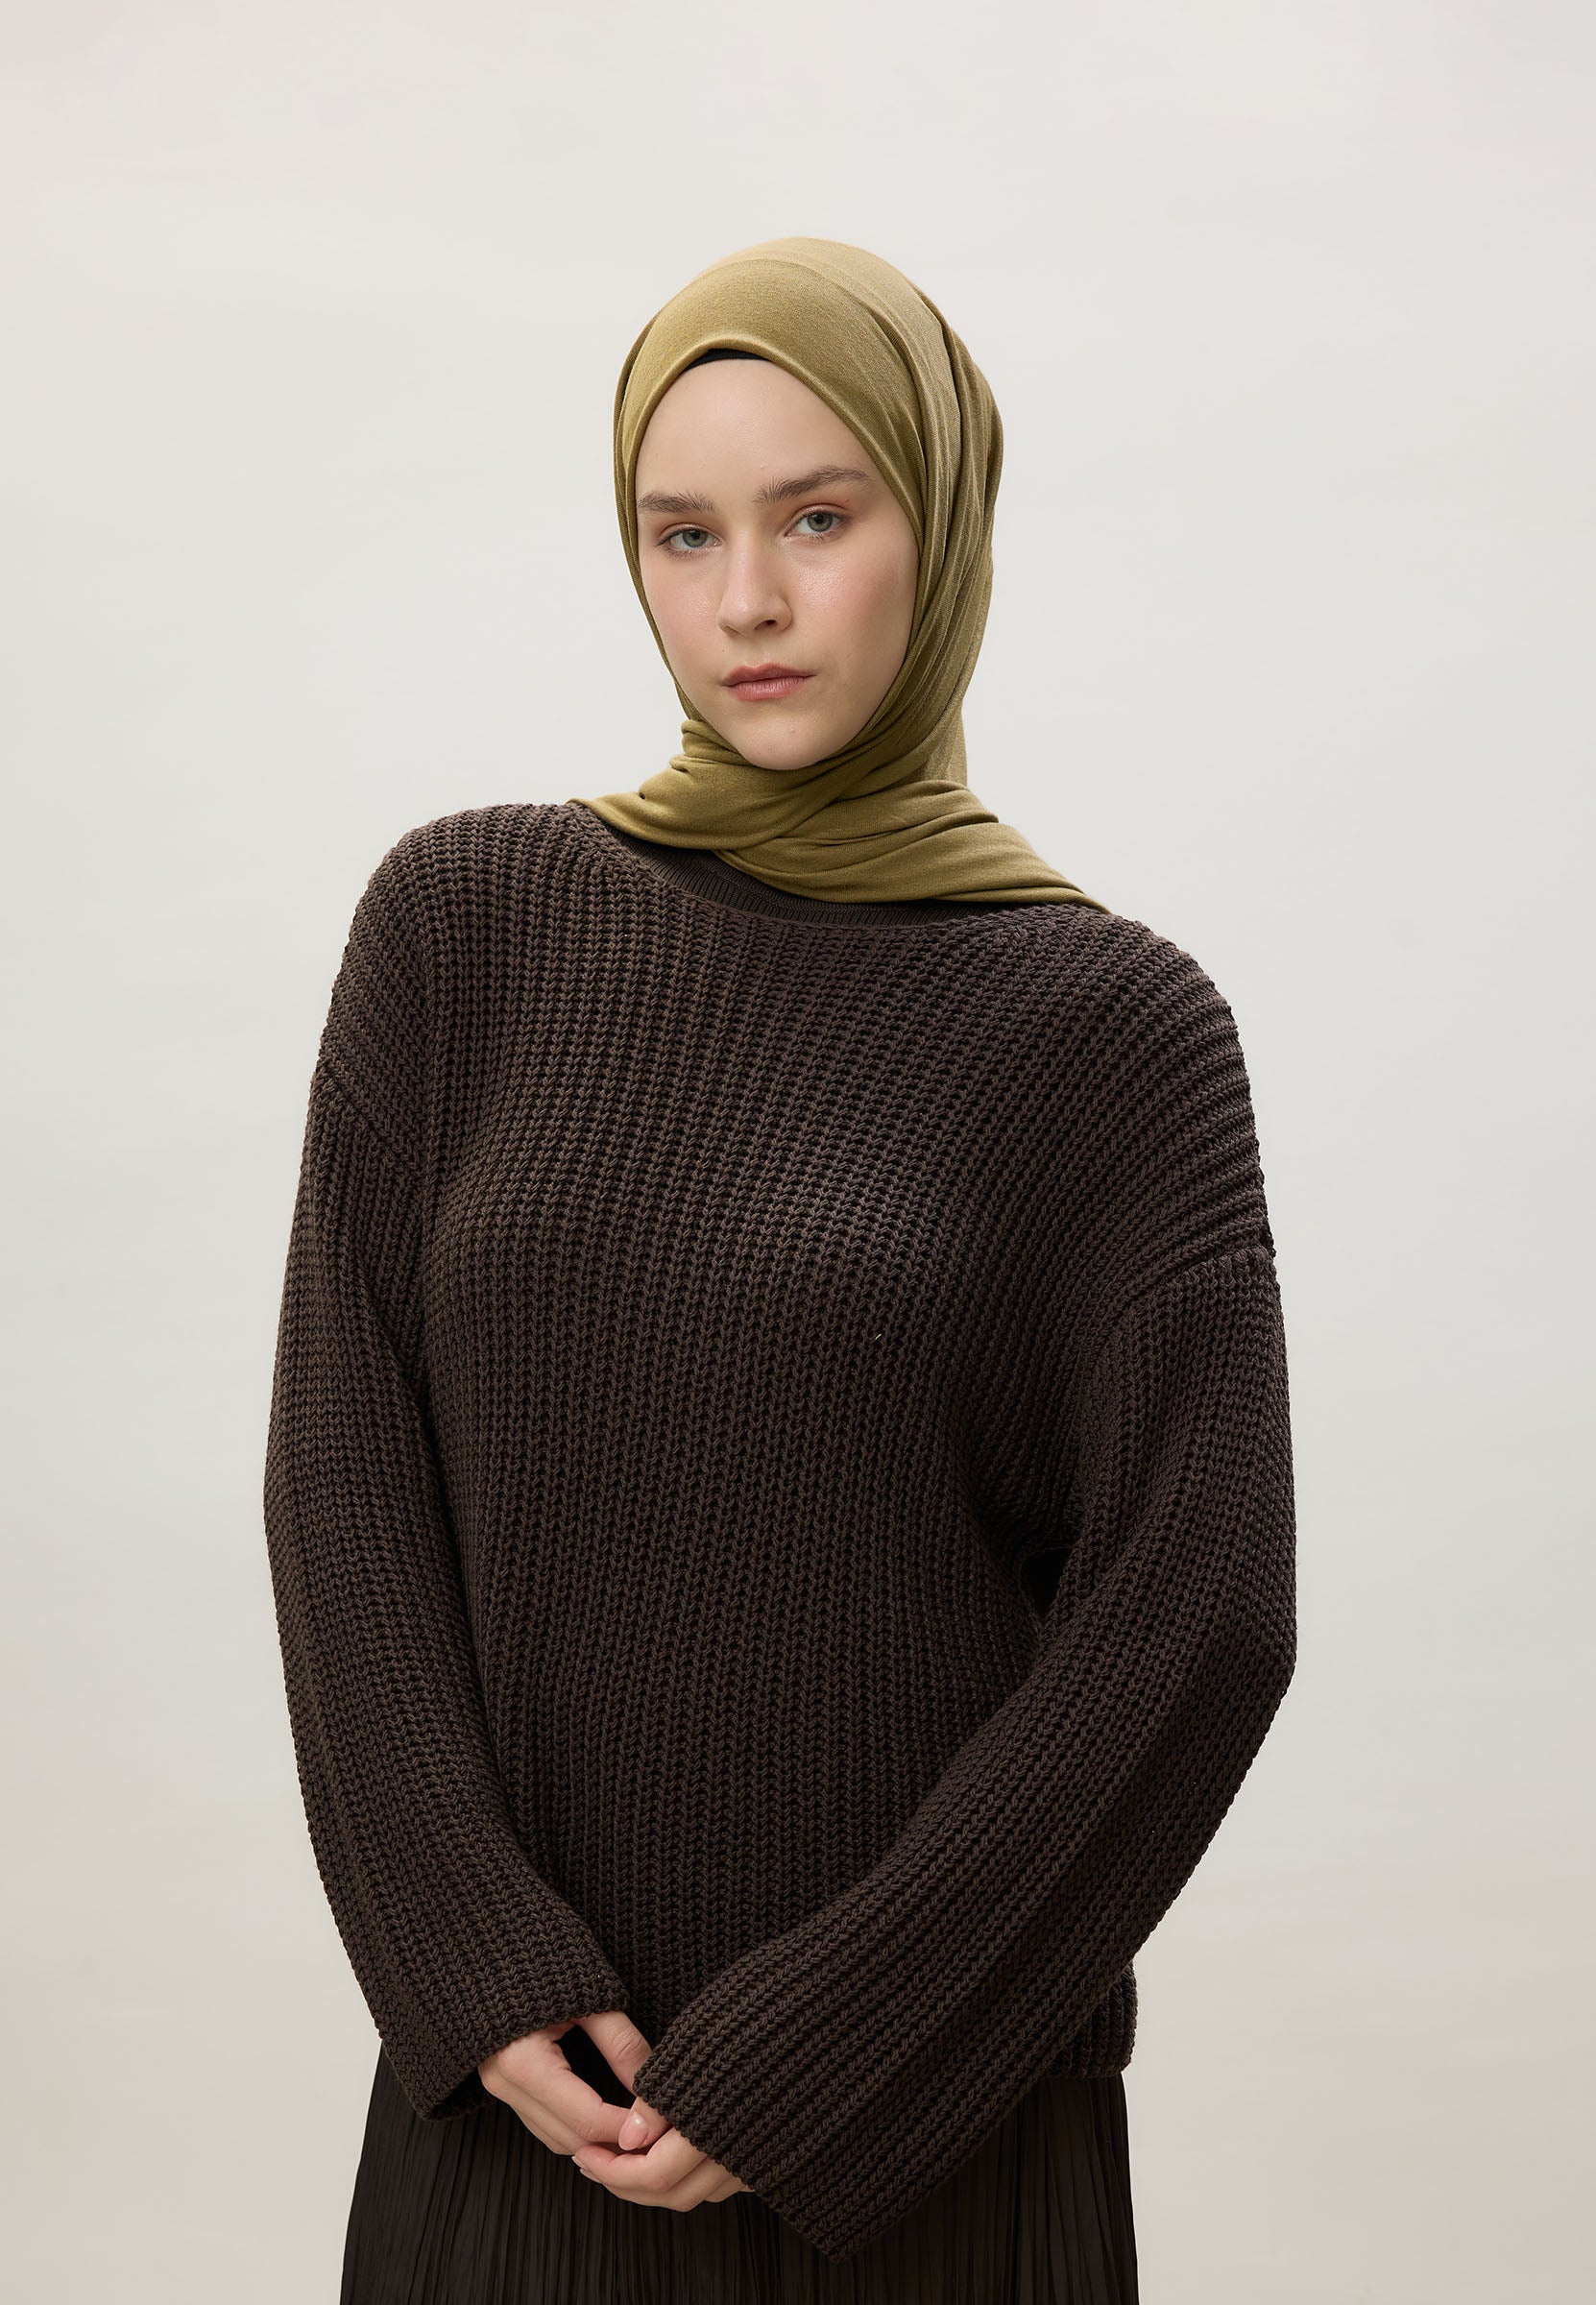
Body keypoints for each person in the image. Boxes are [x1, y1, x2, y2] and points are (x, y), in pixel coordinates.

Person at [263, 236, 1298, 2305]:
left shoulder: (1110, 1031)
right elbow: (347, 1479)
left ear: (945, 526)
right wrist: (469, 1963)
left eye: (817, 519)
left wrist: (835, 2053)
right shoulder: (463, 932)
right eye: (684, 533)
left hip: (925, 2149)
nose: (744, 600)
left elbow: (1198, 1615)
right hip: (522, 2113)